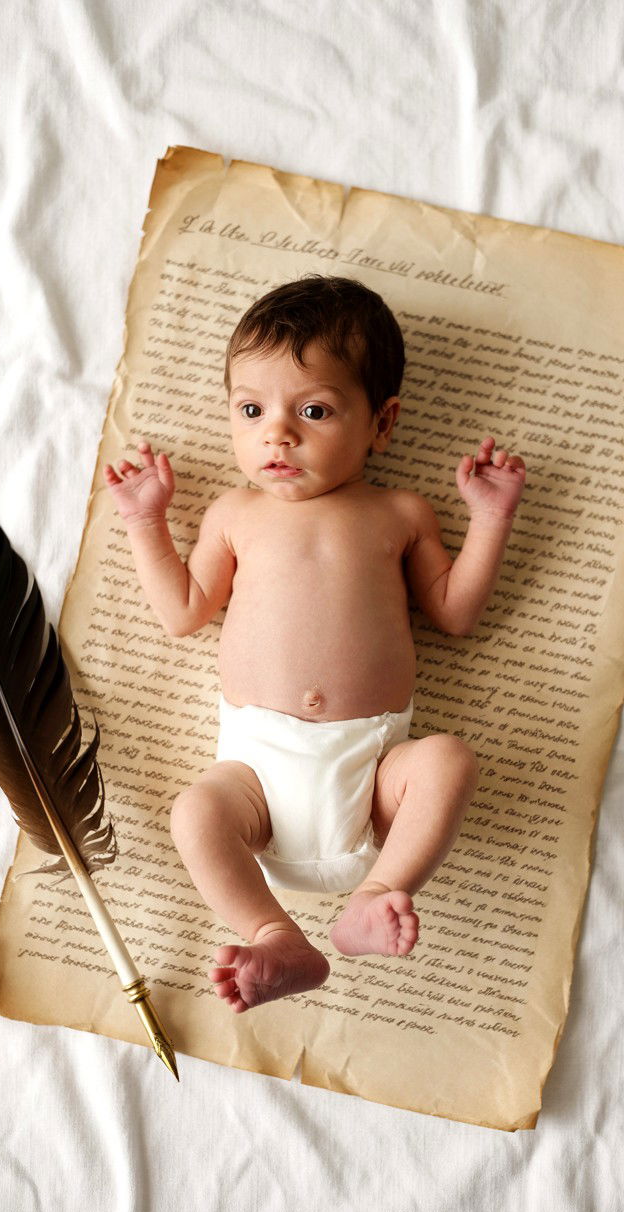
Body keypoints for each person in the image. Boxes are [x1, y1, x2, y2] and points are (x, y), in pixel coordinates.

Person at [104, 274, 526, 1014]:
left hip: (374, 781)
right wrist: (147, 524)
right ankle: (274, 933)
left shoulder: (400, 512)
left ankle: (378, 895)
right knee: (193, 813)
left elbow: (455, 613)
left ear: (381, 424)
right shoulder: (236, 513)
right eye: (252, 409)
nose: (278, 432)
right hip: (255, 784)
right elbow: (183, 612)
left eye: (314, 410)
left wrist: (489, 519)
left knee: (449, 761)